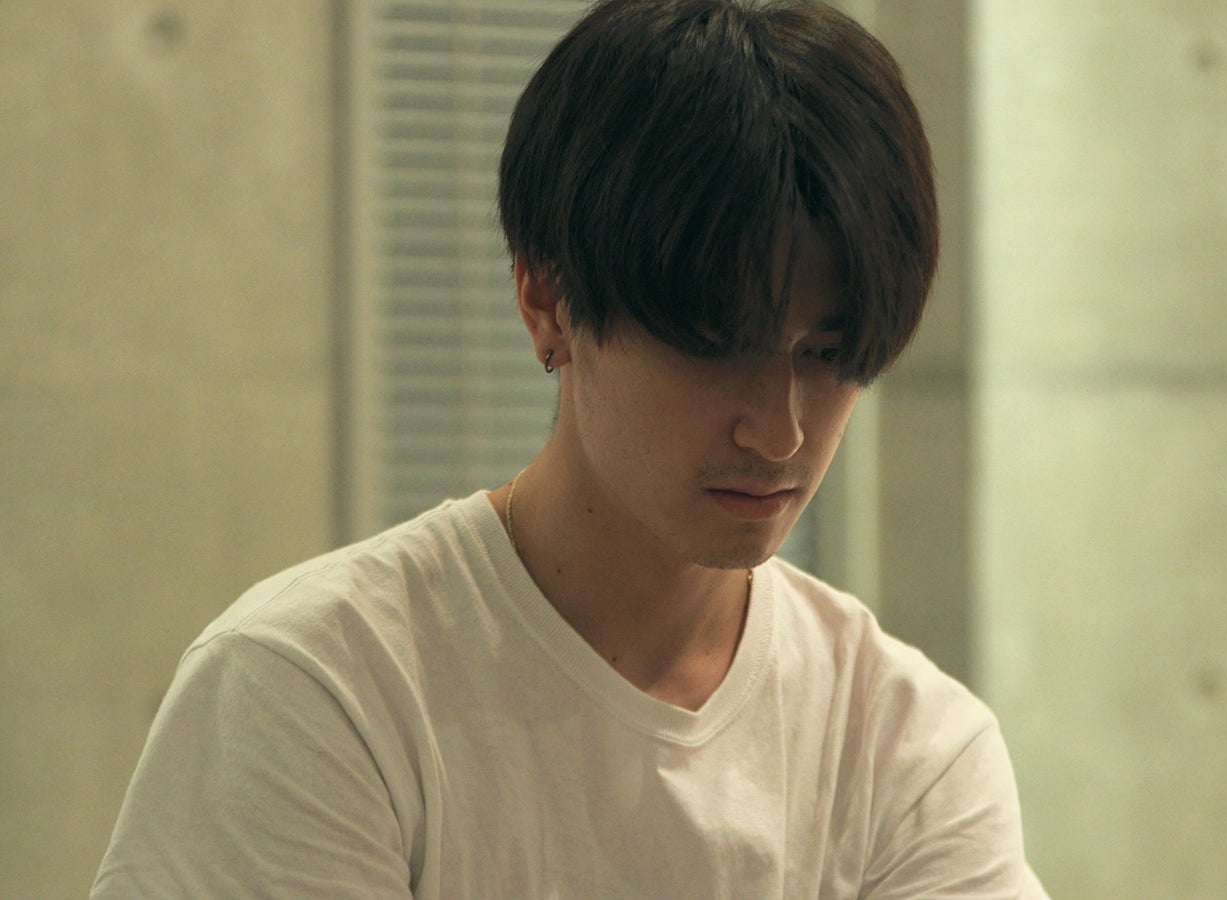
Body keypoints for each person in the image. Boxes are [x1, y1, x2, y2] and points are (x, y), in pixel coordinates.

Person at [92, 0, 1044, 895]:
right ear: (547, 299)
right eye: (717, 347)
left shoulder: (907, 746)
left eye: (827, 355)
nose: (781, 429)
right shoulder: (322, 690)